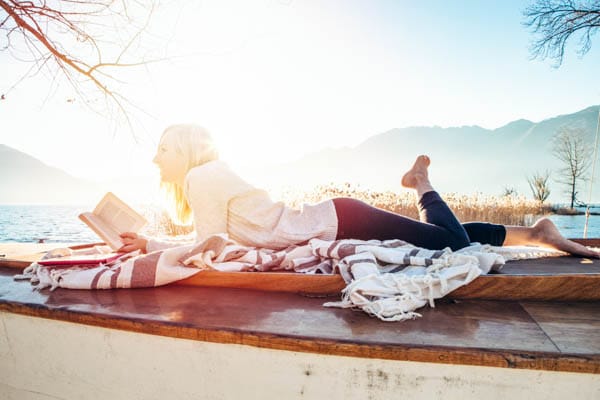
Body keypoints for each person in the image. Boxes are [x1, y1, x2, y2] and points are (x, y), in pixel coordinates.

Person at [119, 124, 599, 259]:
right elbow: (211, 239)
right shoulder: (206, 178)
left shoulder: (203, 176)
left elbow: (209, 247)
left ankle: (421, 183)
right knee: (432, 237)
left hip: (340, 219)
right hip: (337, 219)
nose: (156, 158)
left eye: (164, 149)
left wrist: (149, 247)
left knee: (450, 245)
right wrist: (150, 243)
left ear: (187, 152)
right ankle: (535, 233)